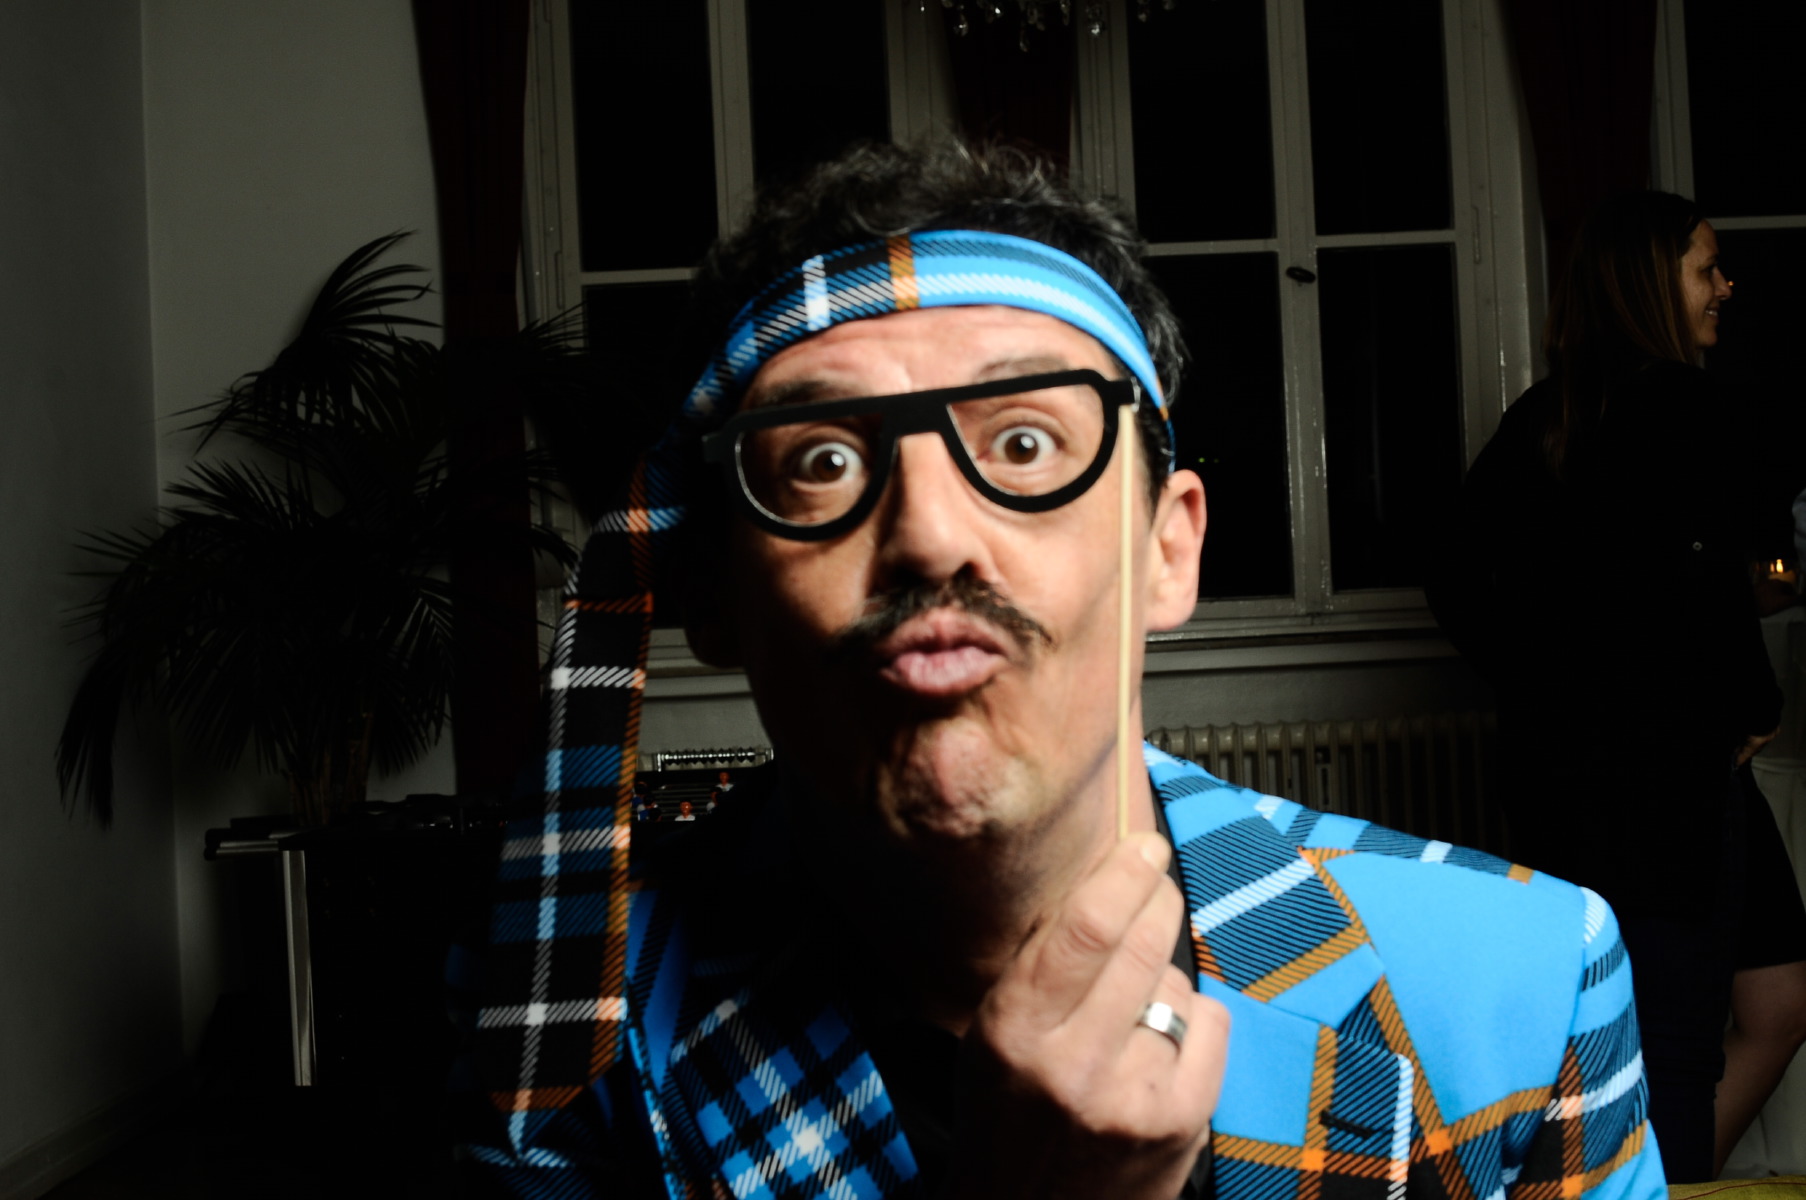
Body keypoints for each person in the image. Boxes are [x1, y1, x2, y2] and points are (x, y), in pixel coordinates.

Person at [458, 142, 1662, 1199]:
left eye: (1025, 442)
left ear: (1168, 551)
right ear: (713, 596)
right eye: (822, 462)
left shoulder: (1519, 989)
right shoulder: (555, 1030)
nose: (931, 533)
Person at [1428, 190, 1806, 1180]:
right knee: (1668, 1045)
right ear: (1649, 281)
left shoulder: (1545, 416)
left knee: (1776, 998)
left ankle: (1646, 1183)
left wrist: (1558, 685)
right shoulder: (1686, 407)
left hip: (1596, 779)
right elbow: (1706, 583)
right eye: (1705, 269)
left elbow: (1472, 584)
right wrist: (1751, 703)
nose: (1726, 286)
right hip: (1666, 787)